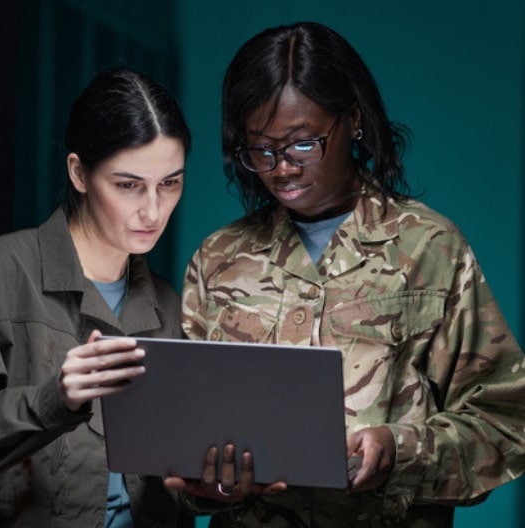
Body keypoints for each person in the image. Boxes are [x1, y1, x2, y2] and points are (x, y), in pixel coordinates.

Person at [168, 21, 525, 527]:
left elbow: (505, 420)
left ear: (352, 120)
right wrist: (208, 485)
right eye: (261, 150)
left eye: (302, 143)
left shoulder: (430, 247)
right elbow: (183, 436)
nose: (282, 168)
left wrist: (398, 450)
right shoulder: (218, 258)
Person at [0, 67, 191, 527]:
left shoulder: (168, 306)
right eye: (128, 185)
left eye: (170, 183)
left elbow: (176, 477)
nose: (152, 210)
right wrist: (51, 399)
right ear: (79, 173)